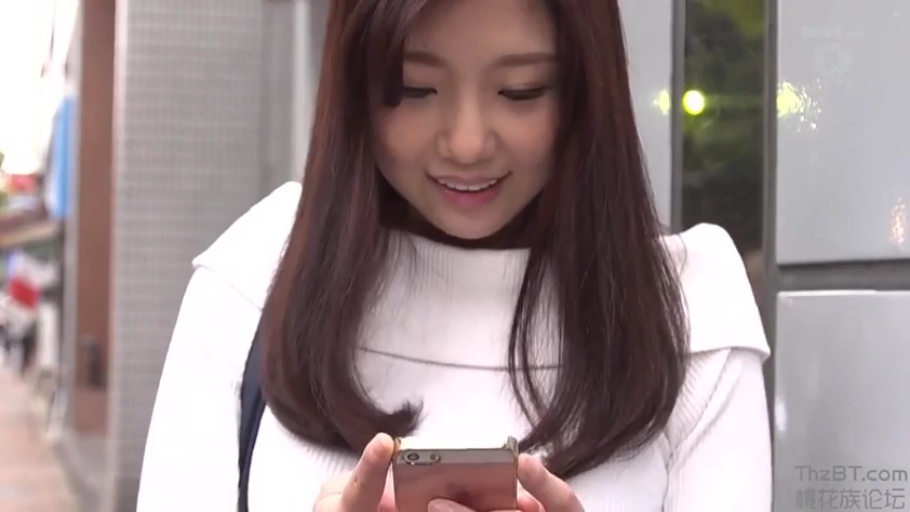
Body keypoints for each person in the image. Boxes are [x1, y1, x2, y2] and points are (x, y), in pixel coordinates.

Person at [136, 0, 772, 510]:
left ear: (585, 89)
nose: (467, 144)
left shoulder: (692, 316)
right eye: (415, 88)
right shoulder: (257, 276)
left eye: (520, 90)